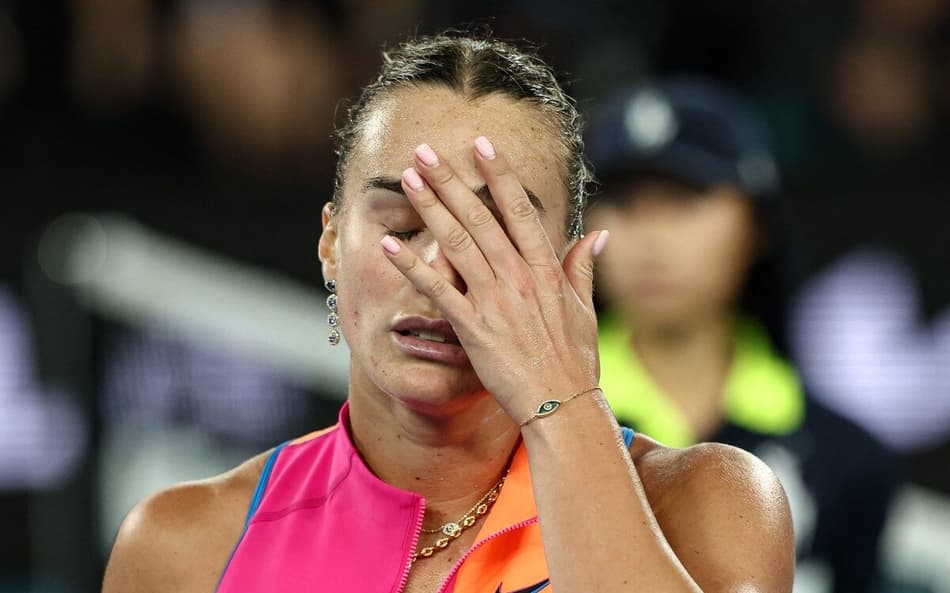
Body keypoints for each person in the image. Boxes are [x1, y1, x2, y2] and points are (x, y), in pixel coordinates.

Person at [101, 35, 794, 593]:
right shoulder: (184, 547)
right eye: (403, 227)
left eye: (492, 235)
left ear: (567, 266)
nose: (439, 274)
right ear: (330, 244)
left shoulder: (709, 503)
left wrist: (562, 401)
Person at [585, 77, 897, 593]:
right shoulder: (530, 427)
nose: (650, 236)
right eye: (622, 201)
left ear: (758, 225)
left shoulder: (849, 460)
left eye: (685, 199)